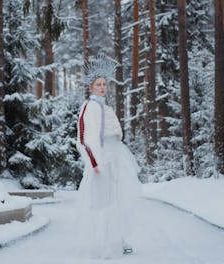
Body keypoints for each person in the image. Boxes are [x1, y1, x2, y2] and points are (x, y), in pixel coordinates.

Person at [75, 55, 141, 258]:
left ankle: (116, 239)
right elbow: (85, 137)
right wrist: (95, 162)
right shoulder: (89, 107)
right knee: (101, 202)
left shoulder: (107, 108)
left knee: (117, 200)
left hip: (116, 159)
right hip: (102, 161)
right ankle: (101, 244)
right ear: (91, 87)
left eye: (104, 84)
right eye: (98, 84)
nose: (102, 87)